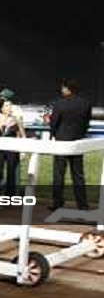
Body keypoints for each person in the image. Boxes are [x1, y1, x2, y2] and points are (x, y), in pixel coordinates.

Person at [49, 79, 92, 211]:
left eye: (63, 88)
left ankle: (57, 203)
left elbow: (54, 122)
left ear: (67, 89)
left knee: (58, 174)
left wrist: (53, 133)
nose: (61, 90)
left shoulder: (59, 103)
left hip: (62, 141)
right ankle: (82, 205)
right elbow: (86, 122)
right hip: (77, 141)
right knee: (78, 174)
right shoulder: (86, 103)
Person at [0, 99, 26, 208]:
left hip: (12, 149)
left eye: (10, 105)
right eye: (7, 106)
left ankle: (8, 199)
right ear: (2, 108)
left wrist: (18, 122)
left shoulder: (15, 119)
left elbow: (21, 134)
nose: (9, 108)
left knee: (11, 174)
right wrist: (3, 120)